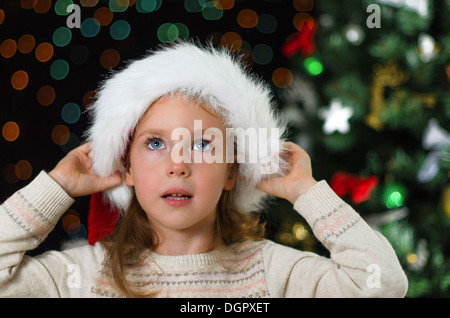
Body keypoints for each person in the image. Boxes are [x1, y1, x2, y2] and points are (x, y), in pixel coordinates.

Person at [0, 42, 408, 298]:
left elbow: (382, 284)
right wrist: (56, 187)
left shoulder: (275, 275)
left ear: (232, 171)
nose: (178, 165)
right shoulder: (82, 277)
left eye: (202, 144)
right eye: (156, 144)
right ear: (125, 167)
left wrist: (305, 190)